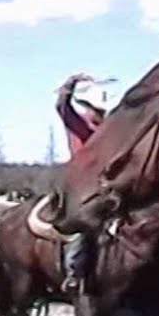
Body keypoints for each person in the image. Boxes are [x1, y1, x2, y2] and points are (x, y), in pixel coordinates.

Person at [55, 72, 110, 293]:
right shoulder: (79, 123)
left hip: (106, 181)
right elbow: (62, 107)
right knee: (83, 223)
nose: (100, 113)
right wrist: (69, 85)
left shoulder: (109, 126)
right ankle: (74, 272)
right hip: (82, 182)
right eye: (97, 109)